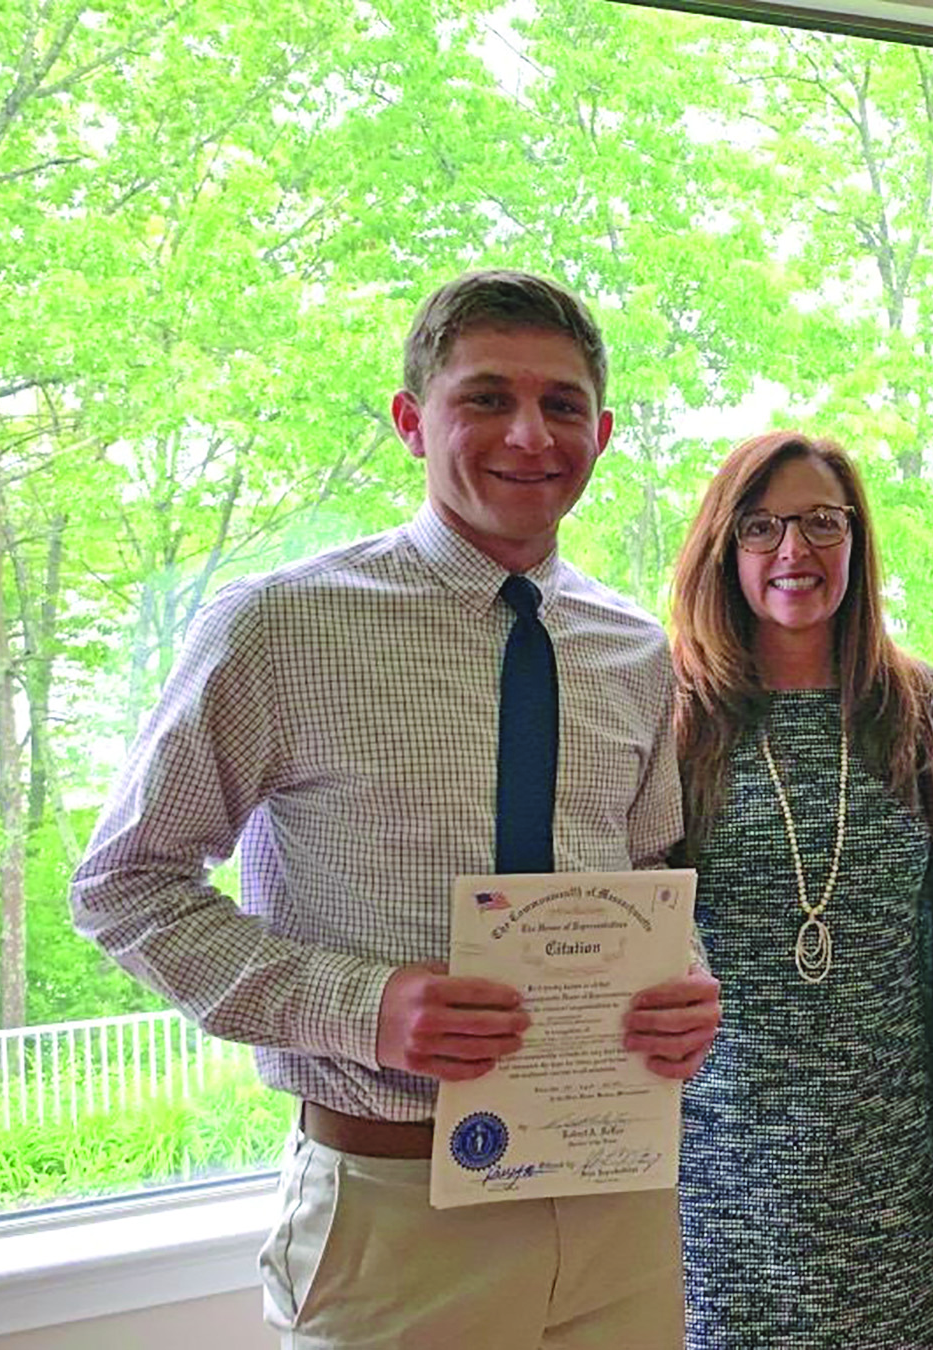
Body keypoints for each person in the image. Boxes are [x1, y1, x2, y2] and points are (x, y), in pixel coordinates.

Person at [70, 269, 722, 1350]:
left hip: (620, 1198)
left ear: (601, 434)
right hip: (393, 1207)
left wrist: (685, 982)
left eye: (562, 404)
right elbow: (125, 888)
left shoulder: (633, 649)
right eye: (485, 398)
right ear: (413, 423)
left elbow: (648, 870)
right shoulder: (280, 627)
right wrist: (362, 1007)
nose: (530, 433)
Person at [668, 431, 933, 1350]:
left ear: (857, 541)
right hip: (731, 1159)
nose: (794, 552)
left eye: (820, 524)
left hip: (884, 1158)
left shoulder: (916, 708)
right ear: (725, 547)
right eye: (761, 527)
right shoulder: (676, 717)